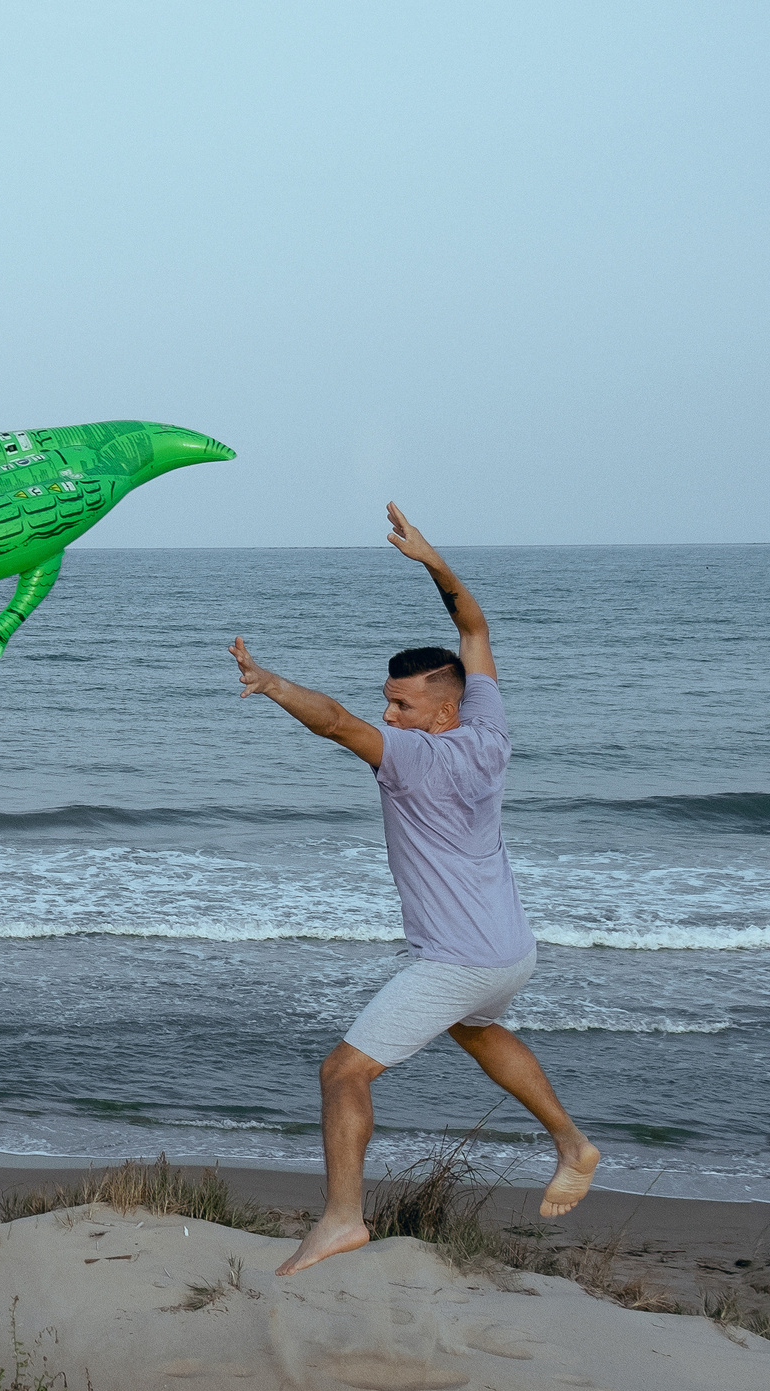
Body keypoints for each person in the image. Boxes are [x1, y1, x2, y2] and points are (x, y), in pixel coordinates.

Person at [229, 505, 600, 1277]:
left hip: (460, 957)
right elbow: (475, 630)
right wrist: (434, 562)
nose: (388, 713)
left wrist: (271, 684)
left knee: (343, 1072)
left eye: (400, 704)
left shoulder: (410, 759)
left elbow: (335, 722)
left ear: (442, 708)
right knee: (474, 1031)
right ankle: (572, 1142)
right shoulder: (489, 729)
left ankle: (341, 1220)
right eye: (388, 702)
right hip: (510, 951)